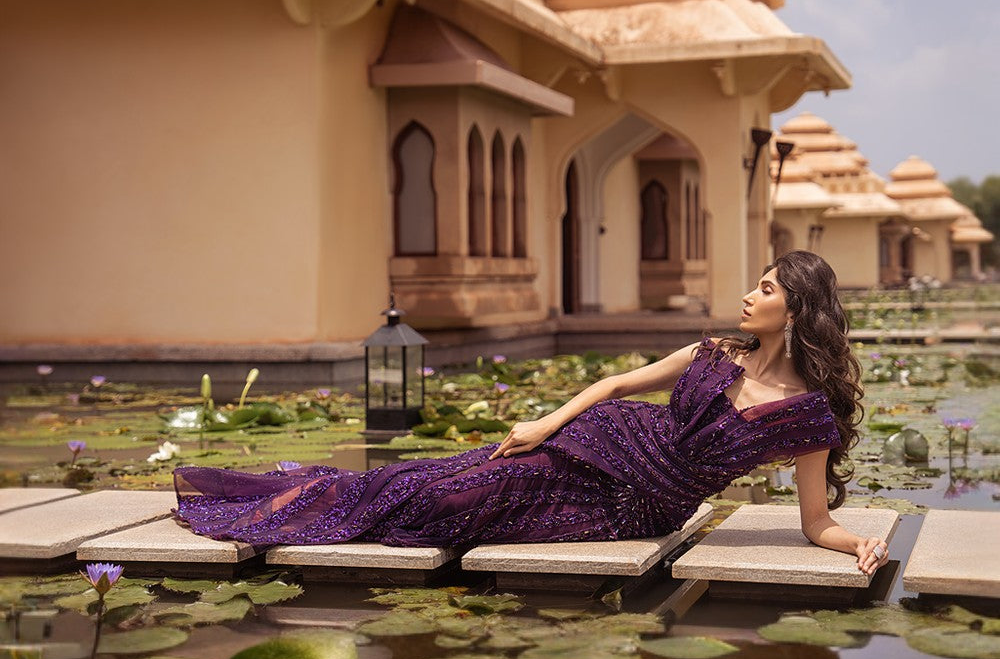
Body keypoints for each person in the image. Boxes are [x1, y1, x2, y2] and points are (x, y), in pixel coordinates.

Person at [174, 250, 889, 575]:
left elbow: (814, 521)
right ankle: (300, 497)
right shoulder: (711, 353)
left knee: (461, 504)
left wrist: (853, 543)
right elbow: (613, 385)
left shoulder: (808, 418)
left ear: (795, 306)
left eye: (764, 289)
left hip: (634, 509)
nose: (748, 295)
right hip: (587, 443)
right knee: (447, 479)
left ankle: (324, 500)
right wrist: (547, 423)